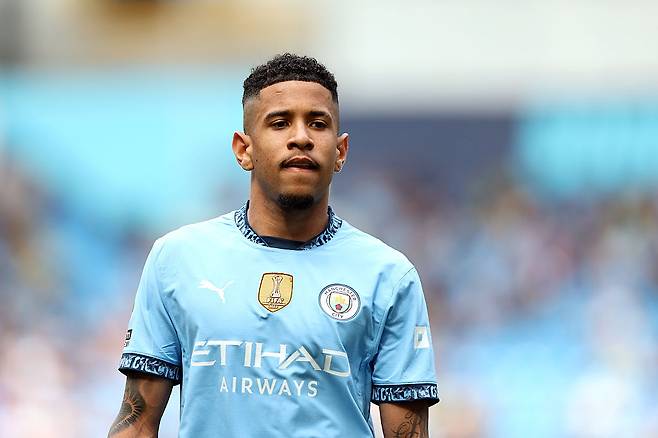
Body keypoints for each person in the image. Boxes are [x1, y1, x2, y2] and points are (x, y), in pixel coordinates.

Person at [108, 53, 439, 438]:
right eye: (280, 123)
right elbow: (137, 423)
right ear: (243, 149)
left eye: (318, 123)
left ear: (340, 151)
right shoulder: (177, 259)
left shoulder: (389, 276)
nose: (301, 137)